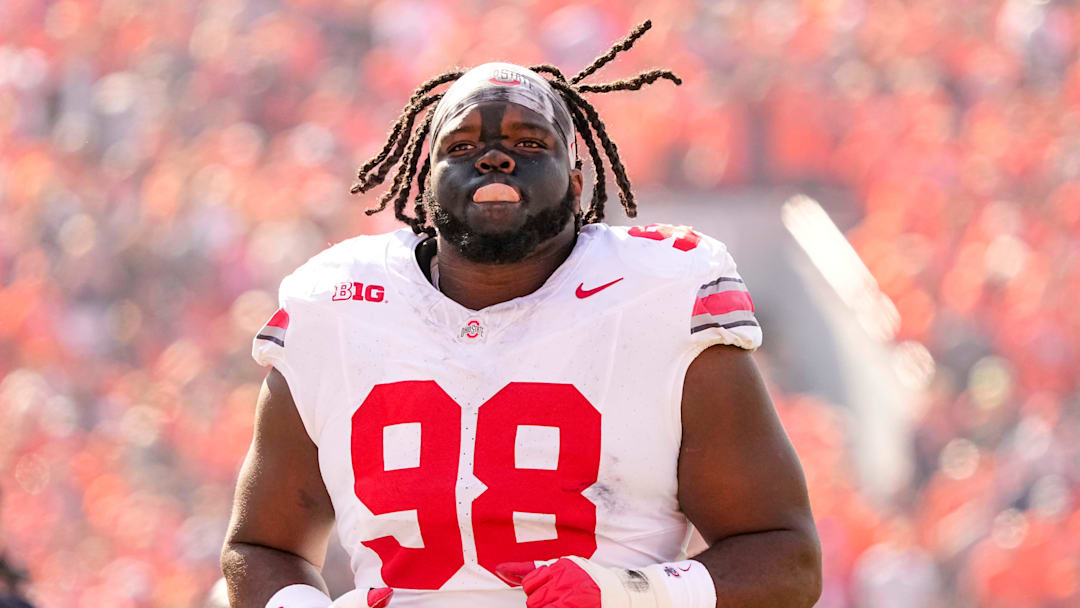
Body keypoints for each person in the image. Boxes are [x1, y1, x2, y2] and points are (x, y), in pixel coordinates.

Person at [221, 21, 821, 608]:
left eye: (529, 143)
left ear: (578, 180)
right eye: (461, 147)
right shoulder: (338, 305)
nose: (494, 159)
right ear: (426, 185)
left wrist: (632, 593)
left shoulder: (660, 294)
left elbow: (784, 557)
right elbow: (259, 546)